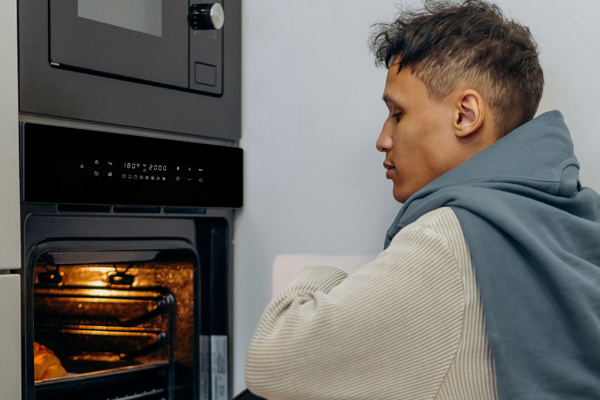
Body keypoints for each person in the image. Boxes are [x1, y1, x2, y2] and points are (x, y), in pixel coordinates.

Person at [244, 1, 600, 399]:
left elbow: (271, 364)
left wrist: (320, 278)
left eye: (398, 114)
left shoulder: (448, 239)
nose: (383, 139)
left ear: (465, 114)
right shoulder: (580, 216)